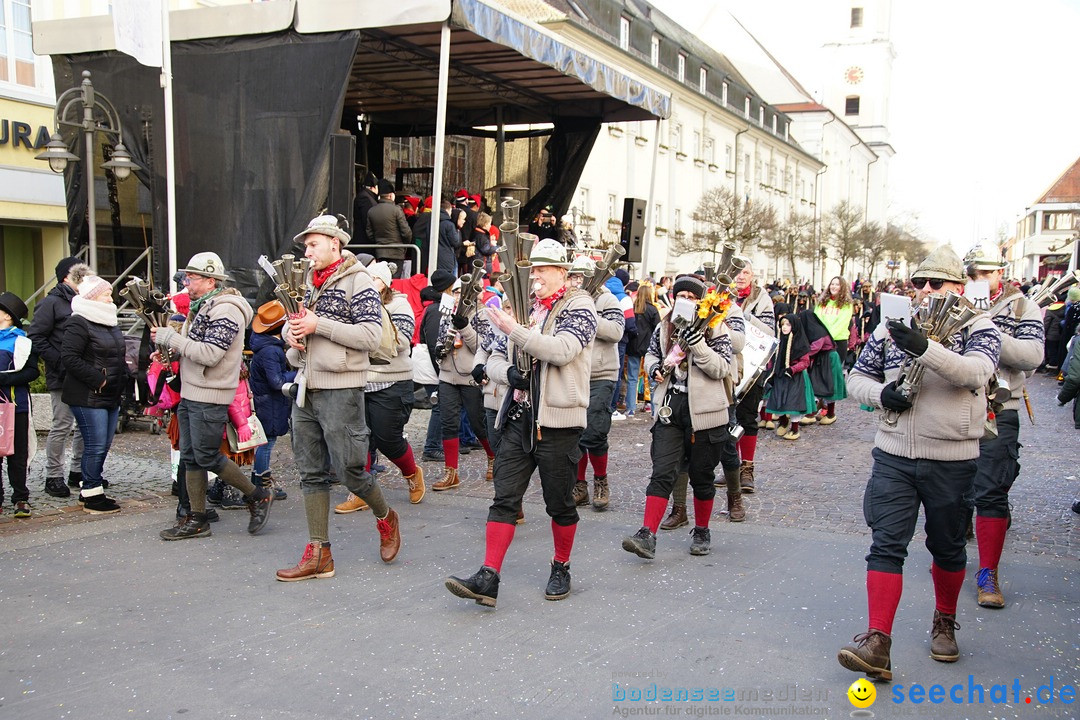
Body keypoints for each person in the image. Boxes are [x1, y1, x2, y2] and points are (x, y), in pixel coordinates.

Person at [838, 245, 1000, 681]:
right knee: (886, 544)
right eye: (919, 282)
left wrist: (925, 348)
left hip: (951, 456)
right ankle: (878, 641)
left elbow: (975, 374)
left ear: (957, 287)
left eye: (937, 283)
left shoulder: (979, 326)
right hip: (893, 452)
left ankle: (944, 620)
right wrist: (878, 395)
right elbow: (856, 376)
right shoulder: (890, 327)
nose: (926, 290)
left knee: (946, 545)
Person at [445, 238, 597, 607]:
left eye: (543, 269)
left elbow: (561, 350)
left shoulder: (581, 305)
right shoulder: (525, 308)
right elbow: (492, 357)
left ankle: (561, 565)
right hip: (518, 416)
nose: (535, 277)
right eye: (534, 269)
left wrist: (515, 330)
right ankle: (489, 576)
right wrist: (509, 372)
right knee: (504, 498)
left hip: (558, 421)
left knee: (559, 502)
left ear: (563, 273)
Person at [275, 215, 402, 580]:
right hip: (306, 386)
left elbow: (368, 336)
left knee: (349, 470)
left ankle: (385, 516)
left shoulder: (358, 281)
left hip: (342, 387)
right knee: (310, 471)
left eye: (313, 244)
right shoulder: (306, 283)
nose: (307, 251)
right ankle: (319, 553)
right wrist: (291, 334)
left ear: (336, 243)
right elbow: (296, 323)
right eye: (305, 245)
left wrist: (319, 325)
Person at [152, 252, 271, 540]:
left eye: (191, 278)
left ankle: (256, 495)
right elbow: (196, 346)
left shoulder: (227, 310)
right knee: (191, 457)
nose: (186, 283)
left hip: (211, 392)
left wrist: (171, 338)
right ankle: (197, 518)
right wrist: (172, 351)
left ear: (209, 280)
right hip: (194, 391)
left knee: (206, 456)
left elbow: (211, 354)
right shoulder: (203, 305)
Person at [621, 275, 734, 560]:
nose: (686, 300)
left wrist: (698, 344)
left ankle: (702, 530)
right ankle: (647, 533)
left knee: (702, 476)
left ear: (702, 301)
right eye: (680, 294)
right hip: (671, 408)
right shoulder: (665, 325)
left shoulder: (717, 327)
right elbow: (651, 354)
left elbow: (721, 368)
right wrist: (657, 367)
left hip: (706, 413)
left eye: (692, 296)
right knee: (662, 471)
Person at [963, 245, 1044, 609]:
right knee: (955, 485)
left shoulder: (1024, 306)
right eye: (973, 273)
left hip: (1001, 404)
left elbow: (1032, 357)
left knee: (992, 490)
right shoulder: (954, 301)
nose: (979, 279)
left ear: (1000, 274)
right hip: (959, 402)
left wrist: (987, 329)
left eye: (986, 273)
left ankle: (988, 572)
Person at [335, 260, 426, 513]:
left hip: (391, 381)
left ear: (384, 284)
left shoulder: (399, 304)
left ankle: (411, 473)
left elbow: (402, 341)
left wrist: (365, 333)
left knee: (388, 439)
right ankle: (360, 492)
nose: (367, 285)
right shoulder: (354, 304)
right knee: (358, 440)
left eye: (373, 280)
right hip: (358, 380)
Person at [61, 276, 129, 514]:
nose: (111, 298)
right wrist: (99, 379)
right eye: (105, 294)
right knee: (95, 445)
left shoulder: (108, 320)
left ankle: (90, 489)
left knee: (104, 444)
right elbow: (69, 358)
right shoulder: (79, 322)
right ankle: (91, 492)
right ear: (91, 297)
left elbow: (117, 355)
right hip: (88, 395)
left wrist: (125, 376)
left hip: (110, 393)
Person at [28, 257, 89, 498]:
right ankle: (53, 476)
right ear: (67, 276)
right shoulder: (51, 303)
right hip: (62, 374)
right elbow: (36, 337)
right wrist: (62, 362)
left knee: (84, 426)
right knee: (62, 425)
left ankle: (77, 472)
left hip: (83, 374)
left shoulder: (83, 301)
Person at [429, 275, 496, 492]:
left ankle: (492, 456)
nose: (458, 296)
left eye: (463, 292)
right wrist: (439, 349)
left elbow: (483, 346)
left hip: (470, 377)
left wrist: (465, 328)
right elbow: (441, 337)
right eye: (456, 292)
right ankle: (451, 472)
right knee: (449, 422)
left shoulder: (483, 314)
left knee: (478, 423)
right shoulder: (446, 313)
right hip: (448, 374)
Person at [568, 255, 623, 511]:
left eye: (581, 276)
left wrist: (588, 315)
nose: (577, 281)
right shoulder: (566, 299)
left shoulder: (607, 299)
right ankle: (580, 486)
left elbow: (616, 332)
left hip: (602, 374)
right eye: (573, 276)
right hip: (575, 373)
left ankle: (601, 480)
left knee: (595, 432)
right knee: (576, 433)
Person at [732, 259, 775, 493]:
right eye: (737, 272)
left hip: (751, 366)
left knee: (747, 417)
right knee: (728, 419)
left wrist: (745, 316)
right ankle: (731, 466)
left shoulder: (762, 298)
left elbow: (770, 331)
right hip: (727, 363)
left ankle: (747, 469)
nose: (740, 276)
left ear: (752, 275)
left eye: (745, 272)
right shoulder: (723, 293)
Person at [247, 300, 295, 501]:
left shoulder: (264, 346)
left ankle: (258, 479)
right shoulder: (271, 350)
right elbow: (276, 381)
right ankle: (261, 483)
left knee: (265, 442)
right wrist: (298, 374)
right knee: (267, 443)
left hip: (266, 401)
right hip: (271, 403)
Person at [0, 292, 39, 517]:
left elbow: (32, 372)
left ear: (7, 316)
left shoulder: (22, 341)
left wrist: (3, 379)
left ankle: (20, 498)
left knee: (17, 455)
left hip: (16, 406)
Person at [763, 311, 814, 440]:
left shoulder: (800, 342)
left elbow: (805, 362)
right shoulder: (778, 341)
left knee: (793, 402)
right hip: (780, 374)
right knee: (779, 399)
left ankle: (795, 429)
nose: (784, 327)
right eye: (782, 324)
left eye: (788, 324)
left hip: (794, 377)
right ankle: (783, 421)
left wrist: (792, 369)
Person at [813, 276, 854, 424]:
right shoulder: (822, 302)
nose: (834, 286)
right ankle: (819, 406)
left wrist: (827, 337)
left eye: (837, 284)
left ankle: (830, 411)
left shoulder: (846, 305)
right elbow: (816, 319)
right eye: (832, 284)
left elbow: (841, 323)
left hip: (836, 342)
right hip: (820, 341)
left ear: (842, 287)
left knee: (832, 376)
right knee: (818, 374)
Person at [624, 283, 661, 415]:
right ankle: (653, 409)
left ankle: (630, 408)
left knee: (632, 378)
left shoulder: (633, 308)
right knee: (651, 377)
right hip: (649, 346)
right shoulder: (653, 309)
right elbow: (658, 329)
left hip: (634, 345)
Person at [366, 179, 412, 276]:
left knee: (382, 278)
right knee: (395, 281)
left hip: (380, 251)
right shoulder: (397, 210)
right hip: (397, 251)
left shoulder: (371, 211)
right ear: (391, 195)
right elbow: (406, 232)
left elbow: (369, 234)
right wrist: (405, 245)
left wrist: (379, 242)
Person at [608, 269, 637, 419]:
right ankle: (612, 408)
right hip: (620, 340)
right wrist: (633, 334)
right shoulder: (623, 298)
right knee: (615, 374)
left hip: (601, 340)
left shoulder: (602, 293)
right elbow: (630, 322)